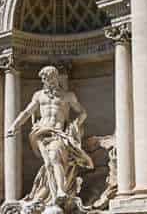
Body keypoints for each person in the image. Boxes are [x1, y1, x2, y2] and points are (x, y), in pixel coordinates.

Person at [7, 65, 93, 205]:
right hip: (41, 133)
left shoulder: (67, 96)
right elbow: (27, 112)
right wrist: (14, 126)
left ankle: (60, 190)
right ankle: (51, 193)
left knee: (53, 158)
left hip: (58, 133)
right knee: (48, 163)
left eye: (49, 78)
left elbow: (82, 112)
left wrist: (75, 126)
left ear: (56, 77)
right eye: (44, 79)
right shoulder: (39, 95)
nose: (47, 81)